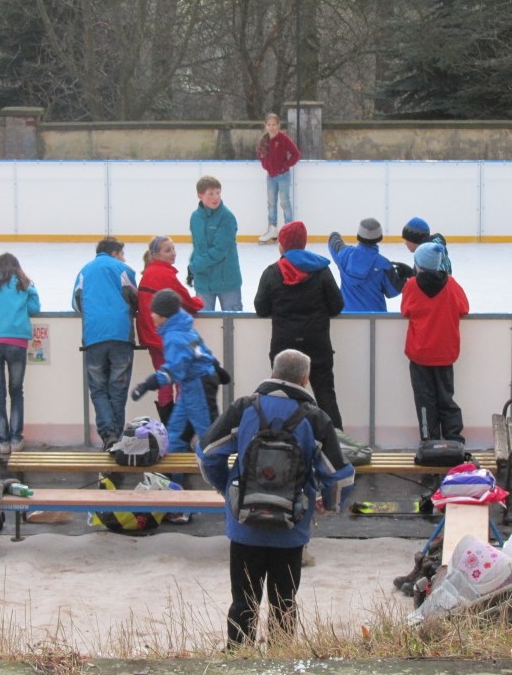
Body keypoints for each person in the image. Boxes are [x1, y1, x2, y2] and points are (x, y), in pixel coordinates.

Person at [196, 349, 355, 648]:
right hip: (291, 528)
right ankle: (281, 657)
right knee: (284, 602)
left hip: (245, 524)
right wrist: (329, 504)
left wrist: (226, 486)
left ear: (272, 372)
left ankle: (239, 658)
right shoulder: (316, 419)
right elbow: (341, 477)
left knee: (243, 600)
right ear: (305, 380)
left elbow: (206, 455)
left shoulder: (245, 408)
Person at [254, 221, 345, 429]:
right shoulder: (322, 271)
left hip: (284, 347)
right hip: (317, 344)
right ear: (303, 243)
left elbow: (260, 307)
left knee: (283, 398)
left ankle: (285, 443)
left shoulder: (272, 272)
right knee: (326, 396)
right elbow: (337, 305)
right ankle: (337, 446)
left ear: (282, 245)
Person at [131, 289, 221, 457]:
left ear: (164, 316)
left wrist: (147, 385)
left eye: (154, 312)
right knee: (175, 432)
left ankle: (220, 478)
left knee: (207, 434)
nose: (151, 316)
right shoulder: (183, 326)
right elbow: (199, 350)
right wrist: (216, 367)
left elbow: (174, 371)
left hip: (198, 386)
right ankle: (173, 479)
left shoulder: (174, 336)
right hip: (192, 385)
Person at [73, 237, 139, 449]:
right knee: (118, 390)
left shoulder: (84, 271)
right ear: (114, 253)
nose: (124, 258)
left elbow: (76, 303)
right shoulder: (123, 270)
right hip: (121, 335)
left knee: (98, 389)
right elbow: (135, 299)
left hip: (93, 336)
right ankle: (115, 439)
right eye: (122, 253)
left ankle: (108, 435)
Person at [401, 242, 469, 443]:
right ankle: (454, 440)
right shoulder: (451, 284)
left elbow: (406, 310)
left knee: (425, 401)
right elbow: (464, 307)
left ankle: (429, 440)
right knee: (446, 399)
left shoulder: (412, 286)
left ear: (417, 264)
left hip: (420, 354)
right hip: (445, 353)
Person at [136, 235, 204, 425]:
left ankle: (168, 430)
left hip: (151, 337)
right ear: (155, 254)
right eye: (167, 250)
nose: (173, 253)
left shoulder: (147, 273)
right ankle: (179, 433)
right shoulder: (165, 275)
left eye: (173, 249)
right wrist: (200, 301)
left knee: (164, 385)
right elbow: (189, 302)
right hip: (166, 339)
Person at [0, 253, 41, 454]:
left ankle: (3, 442)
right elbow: (35, 307)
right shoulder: (23, 282)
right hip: (16, 341)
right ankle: (16, 438)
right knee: (16, 391)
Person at [328, 218, 407, 312]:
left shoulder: (344, 255)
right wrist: (402, 278)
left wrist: (334, 234)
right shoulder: (383, 265)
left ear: (358, 236)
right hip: (376, 319)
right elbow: (392, 292)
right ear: (379, 238)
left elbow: (334, 244)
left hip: (347, 318)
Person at [189, 175, 243, 311]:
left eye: (218, 193)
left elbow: (220, 250)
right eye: (211, 193)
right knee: (205, 324)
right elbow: (197, 247)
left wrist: (195, 265)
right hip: (203, 282)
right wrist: (191, 268)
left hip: (227, 282)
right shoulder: (195, 217)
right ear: (200, 196)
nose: (216, 197)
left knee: (233, 325)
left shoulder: (227, 217)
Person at [257, 112, 301, 244]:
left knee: (285, 202)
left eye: (274, 125)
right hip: (270, 176)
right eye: (269, 125)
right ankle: (272, 228)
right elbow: (260, 154)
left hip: (283, 176)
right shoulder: (264, 140)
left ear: (278, 125)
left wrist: (284, 166)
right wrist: (266, 166)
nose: (272, 127)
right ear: (265, 125)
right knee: (271, 203)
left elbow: (296, 154)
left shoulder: (283, 139)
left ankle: (289, 229)